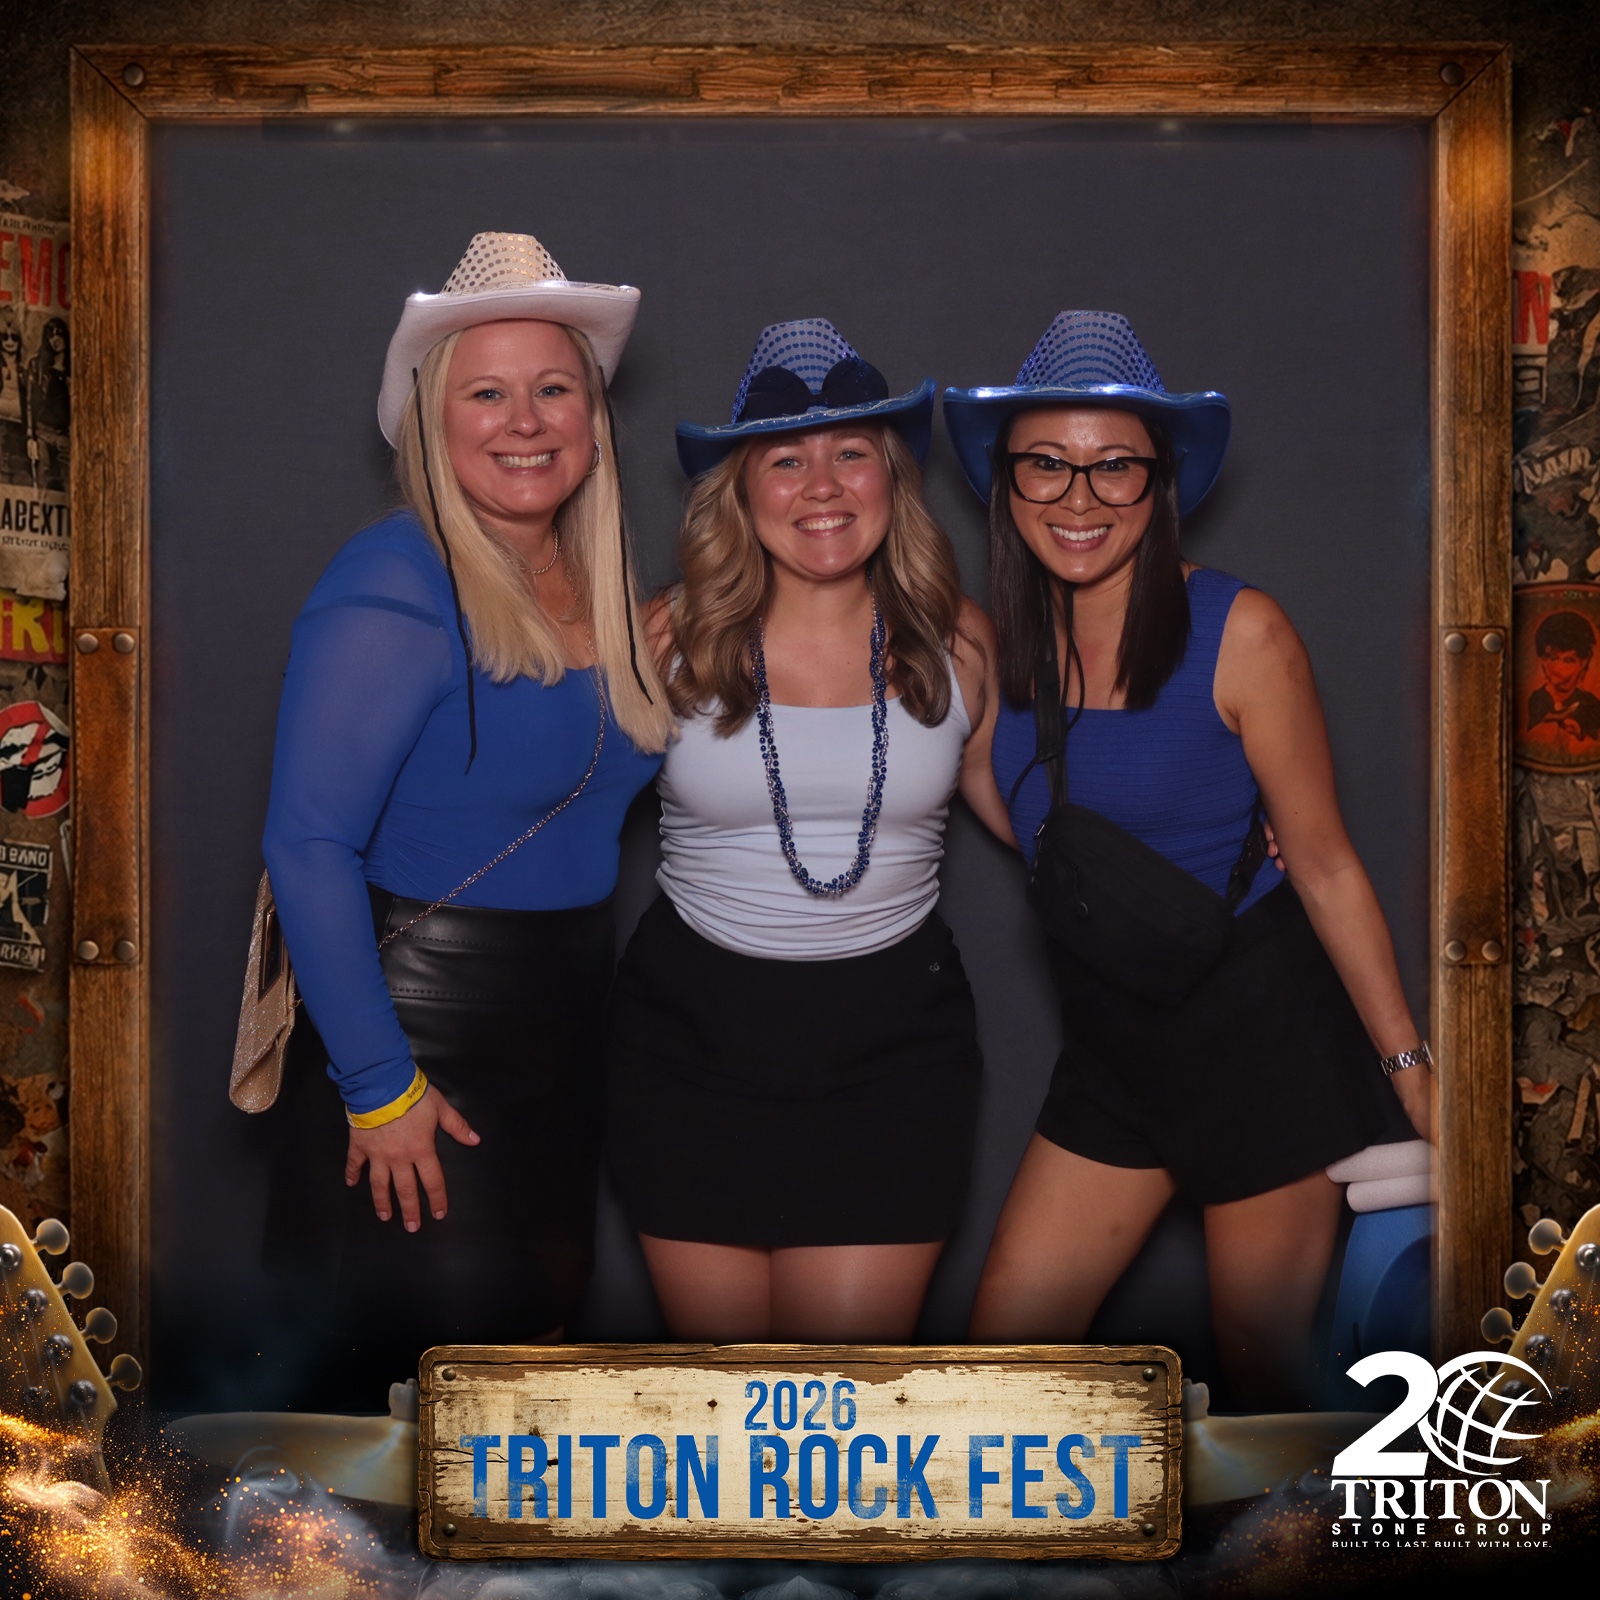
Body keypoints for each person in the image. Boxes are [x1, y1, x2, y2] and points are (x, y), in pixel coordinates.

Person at [951, 311, 1431, 1408]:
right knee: (998, 1368)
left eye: (1114, 466)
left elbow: (1326, 868)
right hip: (1114, 1049)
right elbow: (1025, 811)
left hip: (1257, 1040)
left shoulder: (1241, 631)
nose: (1078, 497)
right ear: (1008, 484)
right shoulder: (1000, 644)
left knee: (1259, 1370)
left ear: (1157, 481)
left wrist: (1413, 1073)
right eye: (1046, 464)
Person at [261, 232, 674, 1402]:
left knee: (526, 1394)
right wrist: (378, 1083)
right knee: (422, 1416)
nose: (524, 421)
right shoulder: (391, 582)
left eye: (553, 389)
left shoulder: (596, 584)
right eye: (486, 394)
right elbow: (307, 844)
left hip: (562, 1045)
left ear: (593, 416)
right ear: (431, 421)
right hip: (424, 1041)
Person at [606, 319, 1008, 1342]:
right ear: (740, 492)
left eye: (851, 453)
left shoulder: (959, 639)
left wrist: (1218, 843)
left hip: (892, 1057)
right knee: (725, 1402)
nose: (821, 486)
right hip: (688, 1050)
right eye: (785, 460)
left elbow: (1025, 810)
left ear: (893, 480)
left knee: (846, 1403)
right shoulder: (666, 636)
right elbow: (550, 804)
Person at [1526, 609, 1600, 752]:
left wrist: (1577, 729)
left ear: (1584, 663)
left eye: (1568, 660)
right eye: (1553, 658)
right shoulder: (1537, 699)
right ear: (1543, 662)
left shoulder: (1592, 704)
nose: (1559, 669)